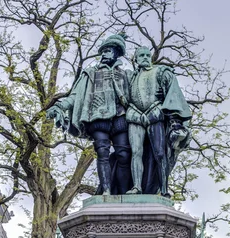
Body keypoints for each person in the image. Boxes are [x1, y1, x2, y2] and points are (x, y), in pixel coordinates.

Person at [47, 33, 132, 195]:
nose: (104, 53)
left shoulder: (126, 74)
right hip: (98, 119)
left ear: (116, 52)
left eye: (108, 50)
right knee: (102, 153)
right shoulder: (90, 73)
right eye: (103, 51)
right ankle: (106, 191)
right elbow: (75, 96)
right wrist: (60, 106)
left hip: (121, 118)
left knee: (124, 155)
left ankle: (123, 192)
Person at [126, 46, 192, 197]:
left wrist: (175, 118)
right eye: (141, 55)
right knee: (136, 152)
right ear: (136, 59)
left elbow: (173, 93)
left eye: (147, 55)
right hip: (135, 115)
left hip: (154, 113)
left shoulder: (161, 72)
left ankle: (163, 189)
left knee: (160, 153)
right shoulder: (131, 77)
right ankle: (136, 186)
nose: (144, 57)